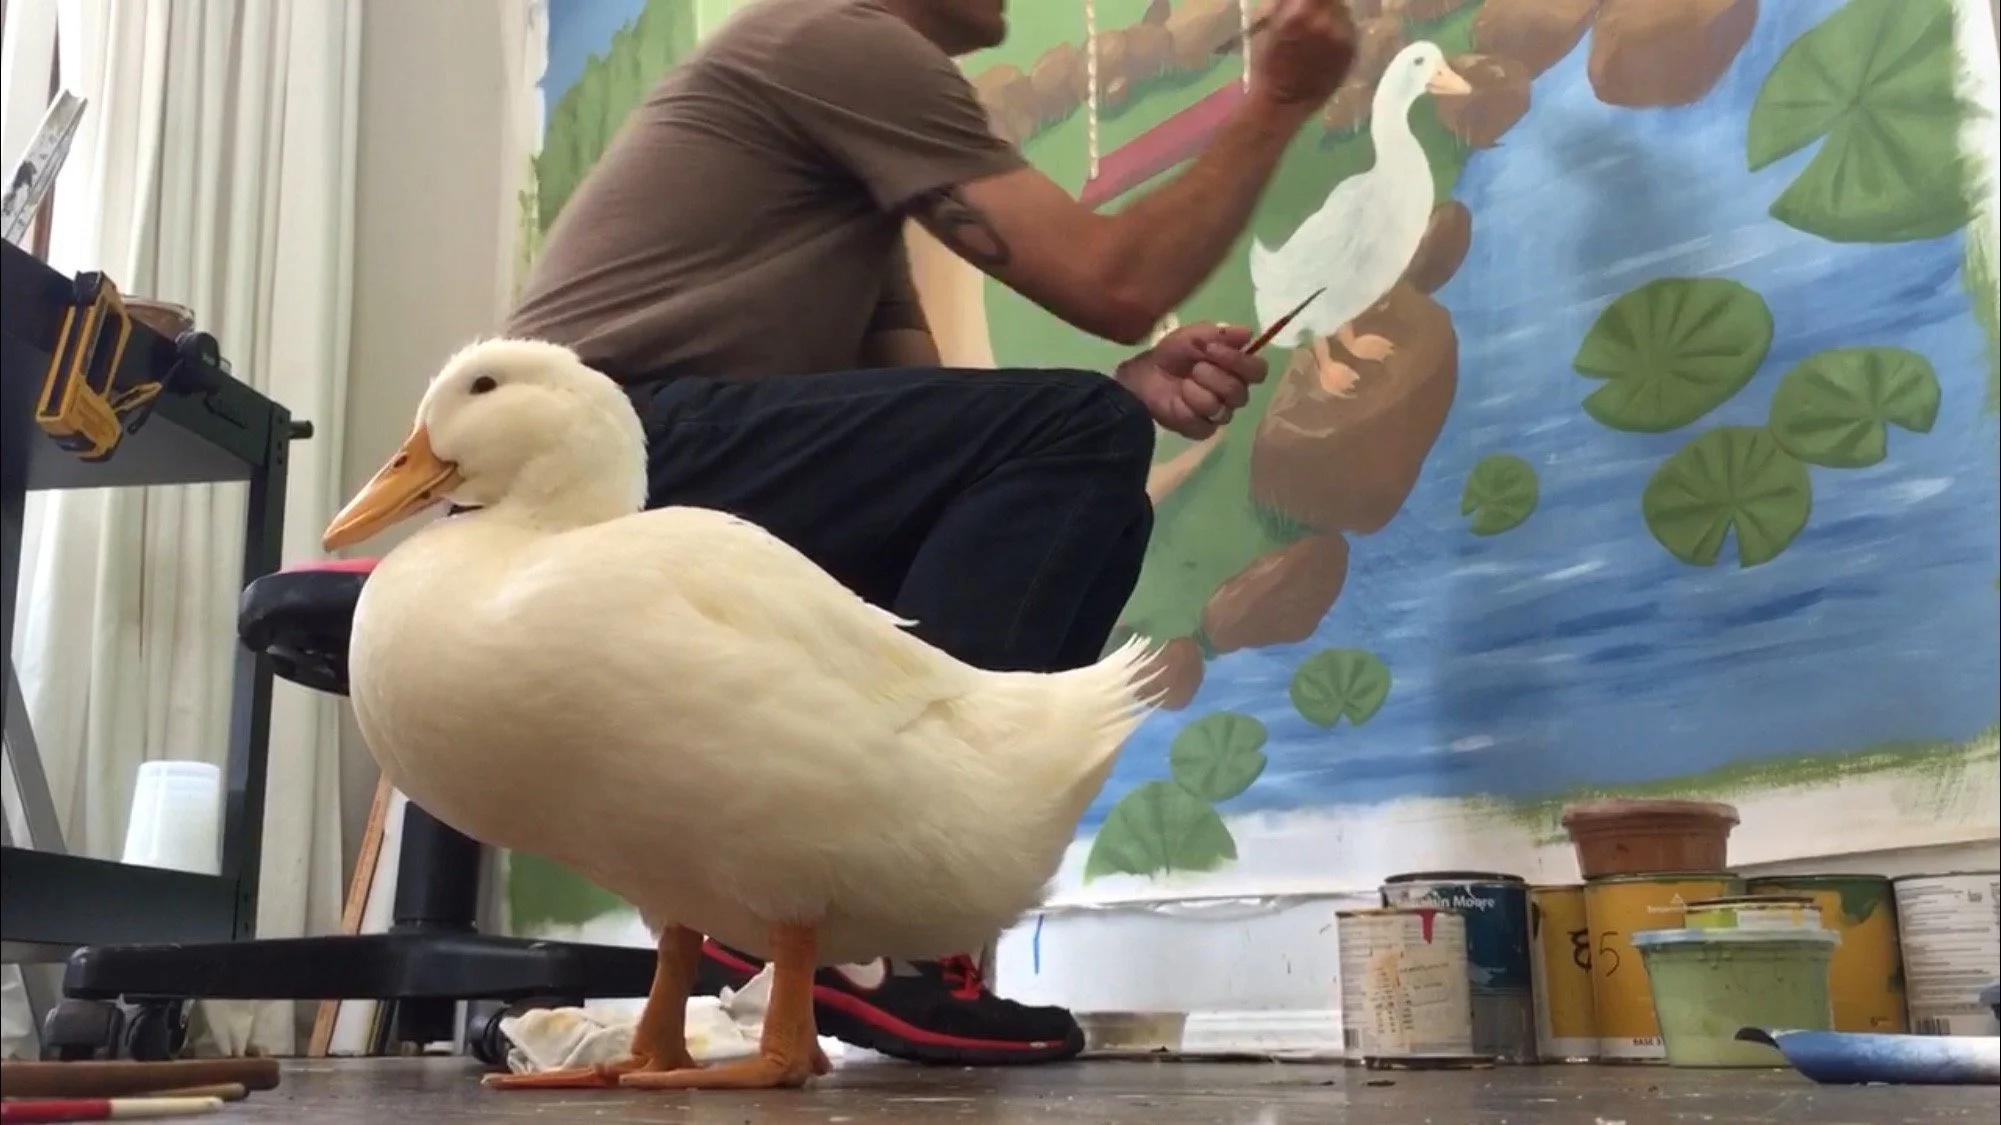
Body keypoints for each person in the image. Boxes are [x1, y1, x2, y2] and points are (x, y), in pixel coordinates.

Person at [505, 0, 1357, 1067]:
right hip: (597, 456)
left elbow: (941, 449)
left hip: (644, 464)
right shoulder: (842, 41)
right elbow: (1116, 283)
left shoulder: (844, 167)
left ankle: (831, 925)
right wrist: (1281, 96)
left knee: (1096, 486)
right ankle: (868, 935)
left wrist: (1122, 396)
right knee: (1078, 437)